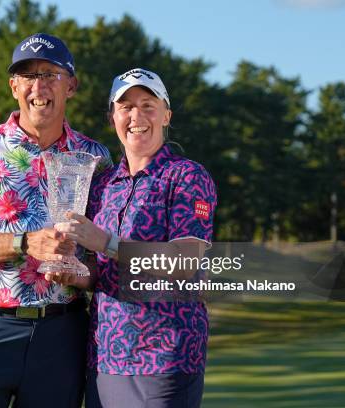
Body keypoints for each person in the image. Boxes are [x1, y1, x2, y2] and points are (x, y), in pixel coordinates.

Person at [0, 33, 111, 408]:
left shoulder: (96, 156)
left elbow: (104, 252)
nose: (39, 86)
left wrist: (82, 274)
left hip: (62, 332)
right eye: (28, 76)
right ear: (14, 87)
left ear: (72, 86)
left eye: (50, 74)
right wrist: (25, 242)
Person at [53, 68, 217, 407]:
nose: (136, 116)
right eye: (125, 106)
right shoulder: (101, 184)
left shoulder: (187, 177)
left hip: (166, 356)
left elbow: (185, 263)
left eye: (147, 105)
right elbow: (101, 274)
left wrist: (106, 243)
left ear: (166, 115)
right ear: (113, 117)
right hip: (105, 357)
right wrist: (77, 275)